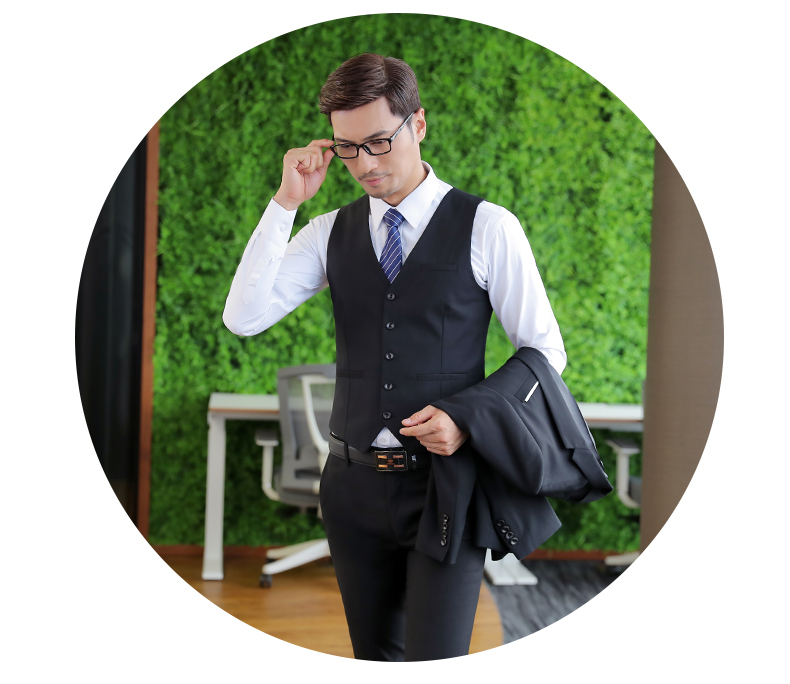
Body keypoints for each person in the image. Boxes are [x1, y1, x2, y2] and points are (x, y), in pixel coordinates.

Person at [223, 53, 566, 661]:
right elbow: (243, 318)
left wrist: (470, 417)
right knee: (373, 659)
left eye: (380, 142)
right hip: (350, 487)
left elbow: (545, 350)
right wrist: (285, 203)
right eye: (347, 148)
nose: (365, 164)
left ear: (419, 124)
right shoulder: (328, 231)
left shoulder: (488, 227)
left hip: (445, 486)